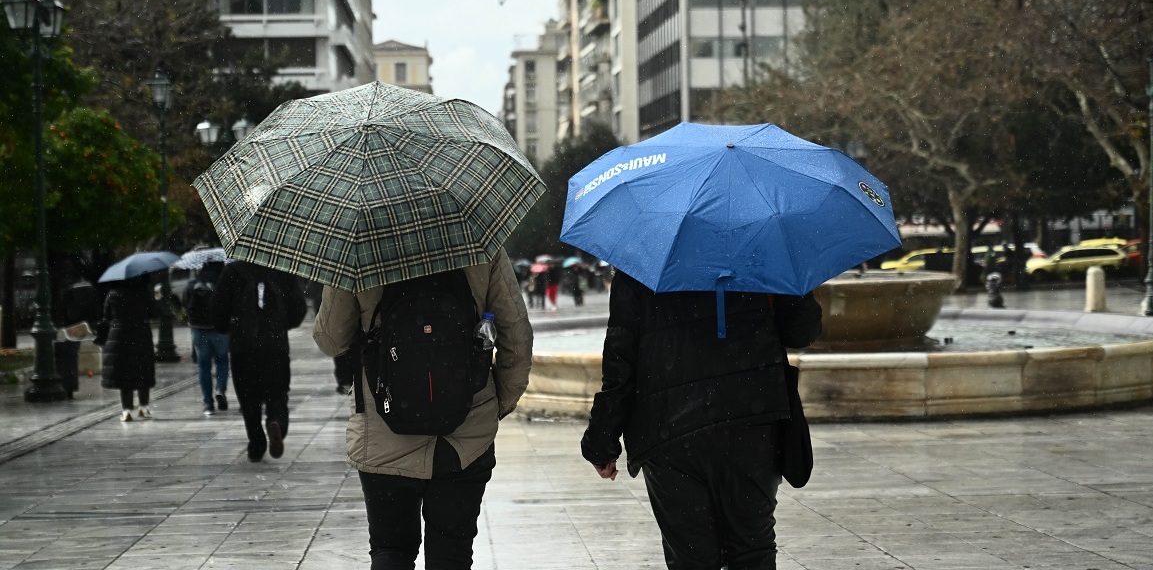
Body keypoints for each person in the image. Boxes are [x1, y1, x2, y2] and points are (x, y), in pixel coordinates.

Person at [580, 270, 822, 570]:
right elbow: (801, 333)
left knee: (691, 556)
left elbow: (620, 361)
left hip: (670, 430)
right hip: (751, 418)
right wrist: (794, 286)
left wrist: (601, 440)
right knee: (752, 550)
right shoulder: (761, 250)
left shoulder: (643, 260)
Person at [313, 248, 533, 570]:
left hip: (384, 431)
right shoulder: (479, 239)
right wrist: (497, 403)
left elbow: (330, 339)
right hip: (464, 436)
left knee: (391, 551)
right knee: (452, 554)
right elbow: (517, 334)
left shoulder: (357, 245)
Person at [212, 261, 307, 462]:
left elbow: (218, 309)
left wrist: (229, 325)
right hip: (275, 345)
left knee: (248, 398)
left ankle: (256, 442)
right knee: (278, 392)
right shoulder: (282, 269)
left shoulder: (233, 272)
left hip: (243, 346)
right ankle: (277, 422)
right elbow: (299, 308)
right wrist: (280, 325)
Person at [94, 275, 156, 422]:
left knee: (124, 373)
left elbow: (107, 315)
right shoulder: (143, 292)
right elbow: (154, 312)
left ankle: (127, 409)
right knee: (142, 370)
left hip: (119, 334)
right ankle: (143, 407)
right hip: (141, 334)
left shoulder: (113, 293)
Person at [184, 260, 230, 416]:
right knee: (222, 360)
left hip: (199, 329)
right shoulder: (224, 283)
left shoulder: (193, 283)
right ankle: (220, 389)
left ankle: (208, 404)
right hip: (220, 329)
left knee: (203, 366)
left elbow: (185, 303)